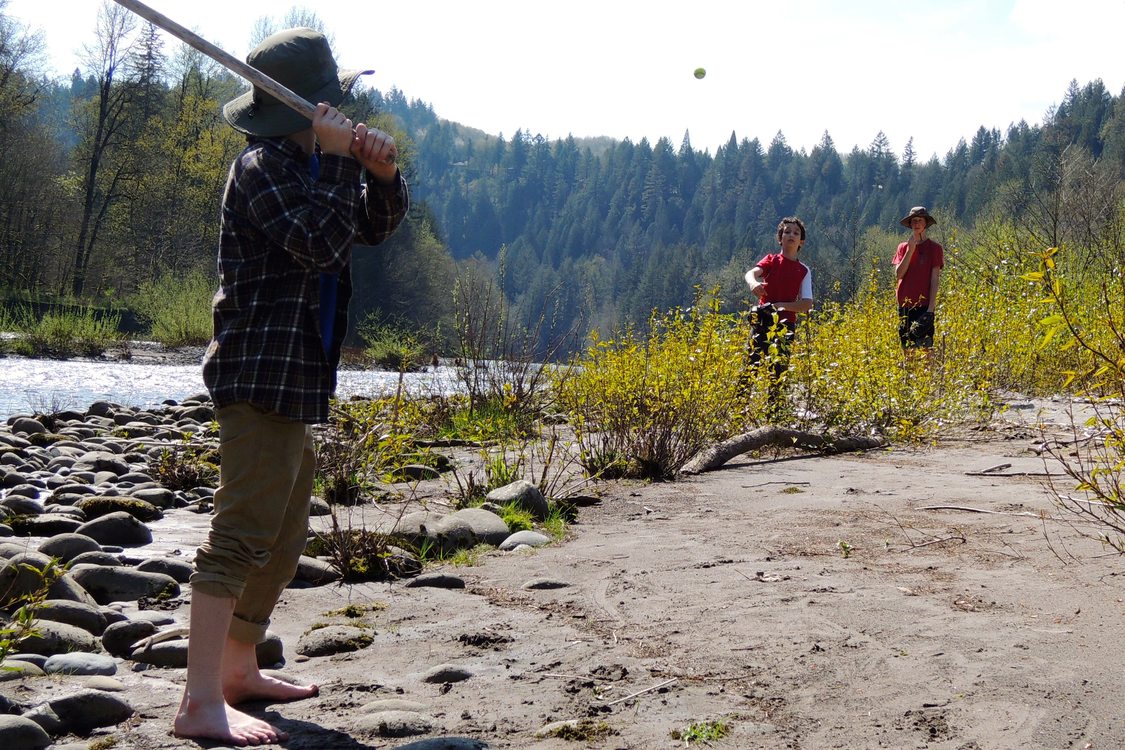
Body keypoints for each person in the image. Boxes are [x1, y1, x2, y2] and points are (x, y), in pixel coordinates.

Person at [173, 28, 409, 746]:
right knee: (241, 534)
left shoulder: (312, 162)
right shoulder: (262, 165)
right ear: (306, 112)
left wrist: (381, 176)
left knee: (281, 536)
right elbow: (314, 242)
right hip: (257, 367)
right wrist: (340, 168)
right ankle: (198, 701)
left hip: (299, 371)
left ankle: (239, 669)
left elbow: (364, 231)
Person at [743, 216, 813, 410]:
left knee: (778, 373)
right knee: (750, 367)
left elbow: (807, 303)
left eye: (796, 233)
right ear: (780, 238)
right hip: (762, 321)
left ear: (802, 242)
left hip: (785, 326)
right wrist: (753, 284)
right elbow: (751, 273)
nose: (791, 235)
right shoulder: (771, 261)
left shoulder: (803, 270)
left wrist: (780, 306)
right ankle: (738, 412)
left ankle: (774, 417)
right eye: (787, 232)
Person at [892, 206, 943, 354]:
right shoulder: (903, 247)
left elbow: (935, 279)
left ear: (925, 223)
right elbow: (899, 274)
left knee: (926, 352)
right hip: (905, 306)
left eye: (920, 220)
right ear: (910, 224)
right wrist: (910, 250)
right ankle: (908, 377)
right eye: (914, 220)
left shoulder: (935, 248)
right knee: (907, 351)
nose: (916, 223)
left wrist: (930, 309)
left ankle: (928, 378)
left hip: (924, 307)